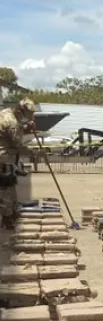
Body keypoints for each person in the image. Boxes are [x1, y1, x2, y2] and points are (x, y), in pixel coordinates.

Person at [0, 98, 38, 229]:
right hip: (3, 158)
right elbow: (18, 145)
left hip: (6, 157)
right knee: (6, 187)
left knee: (9, 185)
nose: (30, 118)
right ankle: (7, 218)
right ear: (20, 112)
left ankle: (12, 212)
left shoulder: (7, 113)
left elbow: (13, 132)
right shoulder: (12, 123)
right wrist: (35, 153)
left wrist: (26, 128)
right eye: (28, 115)